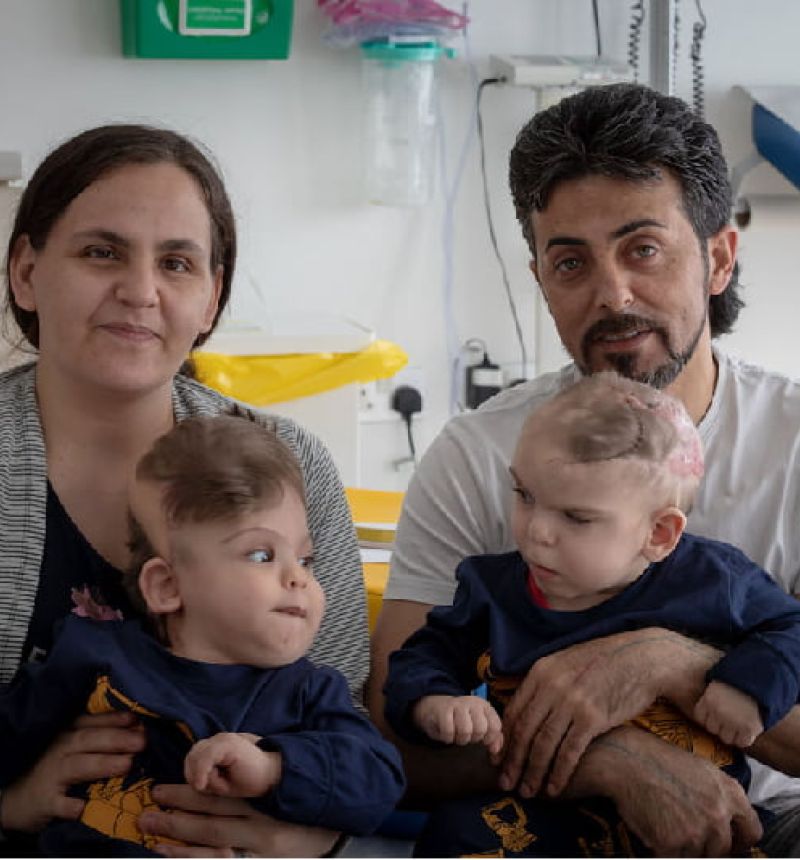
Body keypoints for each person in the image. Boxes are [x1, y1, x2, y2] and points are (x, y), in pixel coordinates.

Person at [368, 81, 800, 857]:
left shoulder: (794, 446)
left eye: (644, 249)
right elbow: (387, 743)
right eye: (570, 262)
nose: (612, 295)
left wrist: (668, 665)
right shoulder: (476, 458)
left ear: (719, 258)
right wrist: (607, 760)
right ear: (540, 280)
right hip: (543, 818)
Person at [0, 123, 370, 857]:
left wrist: (310, 838)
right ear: (26, 272)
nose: (140, 292)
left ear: (211, 300)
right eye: (101, 252)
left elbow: (344, 708)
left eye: (176, 263)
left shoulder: (291, 462)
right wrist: (10, 806)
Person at [383, 372, 800, 856]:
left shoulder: (714, 580)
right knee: (453, 833)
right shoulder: (491, 588)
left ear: (660, 533)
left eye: (576, 518)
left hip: (699, 824)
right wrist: (432, 702)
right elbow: (420, 657)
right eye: (525, 495)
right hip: (545, 814)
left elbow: (789, 627)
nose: (537, 531)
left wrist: (748, 684)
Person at [0, 413, 405, 855]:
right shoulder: (93, 655)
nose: (298, 578)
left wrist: (275, 768)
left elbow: (380, 782)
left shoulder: (310, 691)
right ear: (167, 586)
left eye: (305, 560)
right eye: (260, 554)